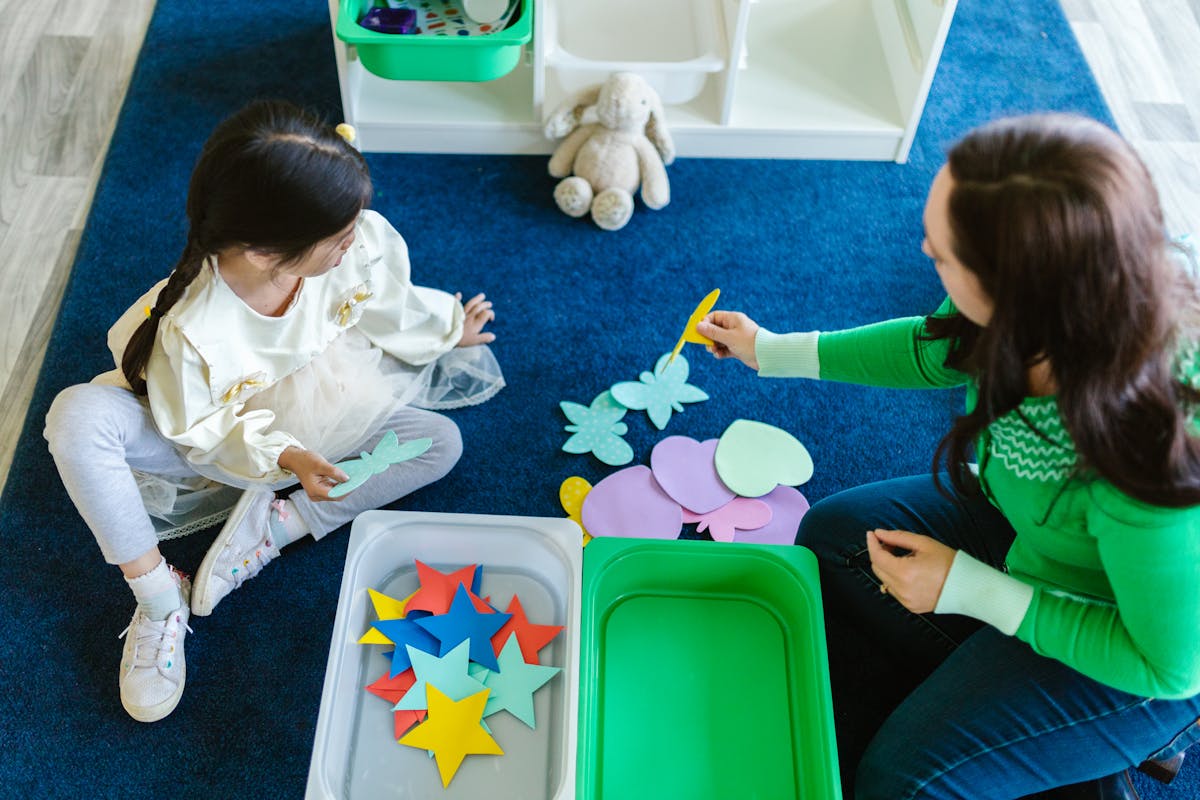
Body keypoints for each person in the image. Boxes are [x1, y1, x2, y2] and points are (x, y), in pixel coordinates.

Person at [697, 113, 1200, 799]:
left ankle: (1102, 753)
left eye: (940, 256)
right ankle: (1039, 740)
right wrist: (772, 349)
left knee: (898, 786)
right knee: (832, 540)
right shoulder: (1061, 297)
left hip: (1142, 652)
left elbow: (1170, 668)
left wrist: (971, 591)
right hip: (1049, 543)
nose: (924, 253)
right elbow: (939, 345)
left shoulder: (1147, 460)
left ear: (1020, 296)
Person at [43, 100, 503, 723]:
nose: (354, 240)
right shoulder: (192, 328)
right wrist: (286, 453)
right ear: (263, 252)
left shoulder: (353, 240)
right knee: (75, 415)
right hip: (205, 440)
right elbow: (202, 431)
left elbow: (385, 300)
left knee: (438, 443)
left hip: (320, 409)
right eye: (337, 238)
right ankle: (158, 598)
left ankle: (276, 525)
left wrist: (446, 329)